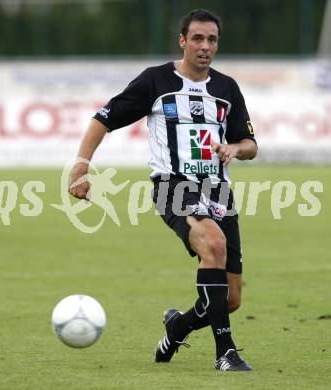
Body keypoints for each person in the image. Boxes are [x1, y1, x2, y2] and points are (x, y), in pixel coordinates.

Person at [69, 9, 257, 372]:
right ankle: (226, 353)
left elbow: (250, 143)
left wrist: (235, 148)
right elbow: (102, 119)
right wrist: (81, 165)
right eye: (198, 39)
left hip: (218, 192)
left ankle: (178, 326)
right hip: (173, 186)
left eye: (212, 40)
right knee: (213, 245)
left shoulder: (227, 88)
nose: (205, 47)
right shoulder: (156, 81)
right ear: (183, 41)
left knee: (229, 299)